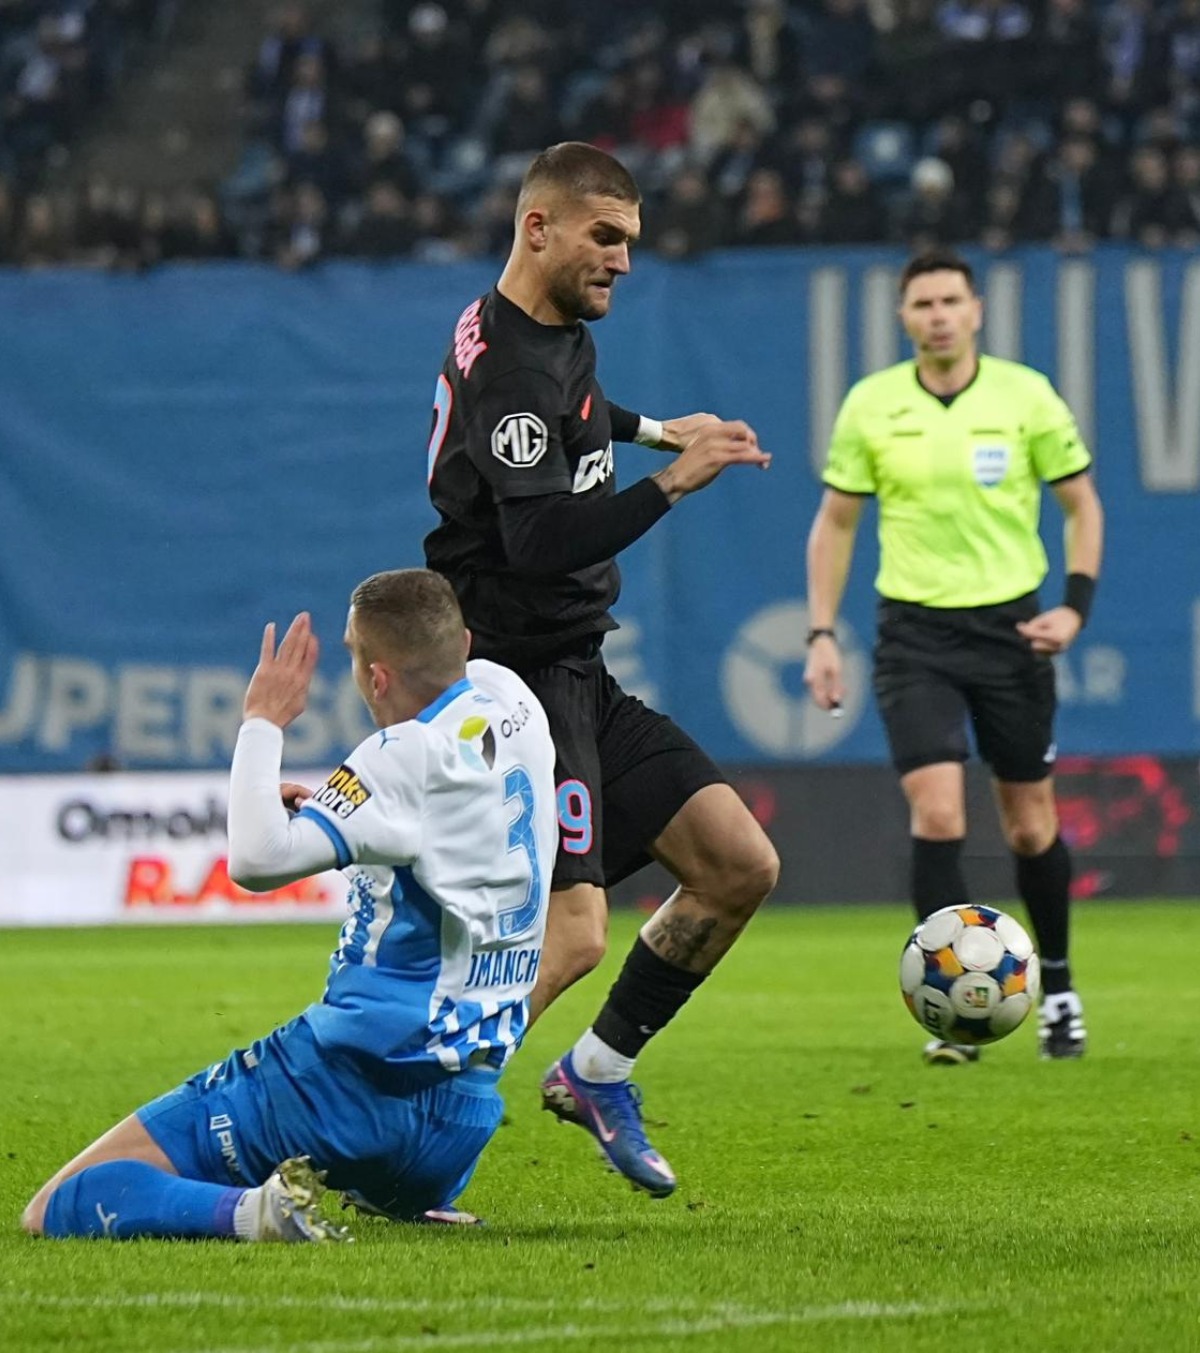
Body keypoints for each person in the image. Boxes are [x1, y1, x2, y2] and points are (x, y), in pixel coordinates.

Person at [423, 141, 780, 1198]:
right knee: (573, 937)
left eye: (629, 241)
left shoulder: (546, 331)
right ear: (540, 227)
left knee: (735, 866)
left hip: (576, 670)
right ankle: (402, 1117)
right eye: (606, 238)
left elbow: (579, 417)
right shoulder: (512, 369)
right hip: (514, 687)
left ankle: (596, 1071)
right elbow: (538, 543)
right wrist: (674, 481)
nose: (624, 261)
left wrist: (665, 427)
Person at [23, 569, 557, 1240]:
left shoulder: (400, 755)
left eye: (353, 654)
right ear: (466, 642)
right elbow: (438, 826)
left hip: (347, 1090)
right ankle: (392, 1190)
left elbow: (254, 858)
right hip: (457, 1123)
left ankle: (253, 1212)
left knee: (56, 1203)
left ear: (377, 678)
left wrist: (261, 723)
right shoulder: (517, 703)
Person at [804, 249, 1104, 1065]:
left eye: (950, 300)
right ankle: (953, 1016)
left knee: (1030, 824)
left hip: (1012, 631)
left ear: (976, 311)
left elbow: (1081, 506)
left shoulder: (1025, 395)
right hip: (915, 634)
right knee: (937, 813)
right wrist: (822, 632)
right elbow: (836, 523)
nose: (937, 314)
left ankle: (1062, 987)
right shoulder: (872, 405)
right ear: (904, 317)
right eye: (922, 303)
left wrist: (1074, 607)